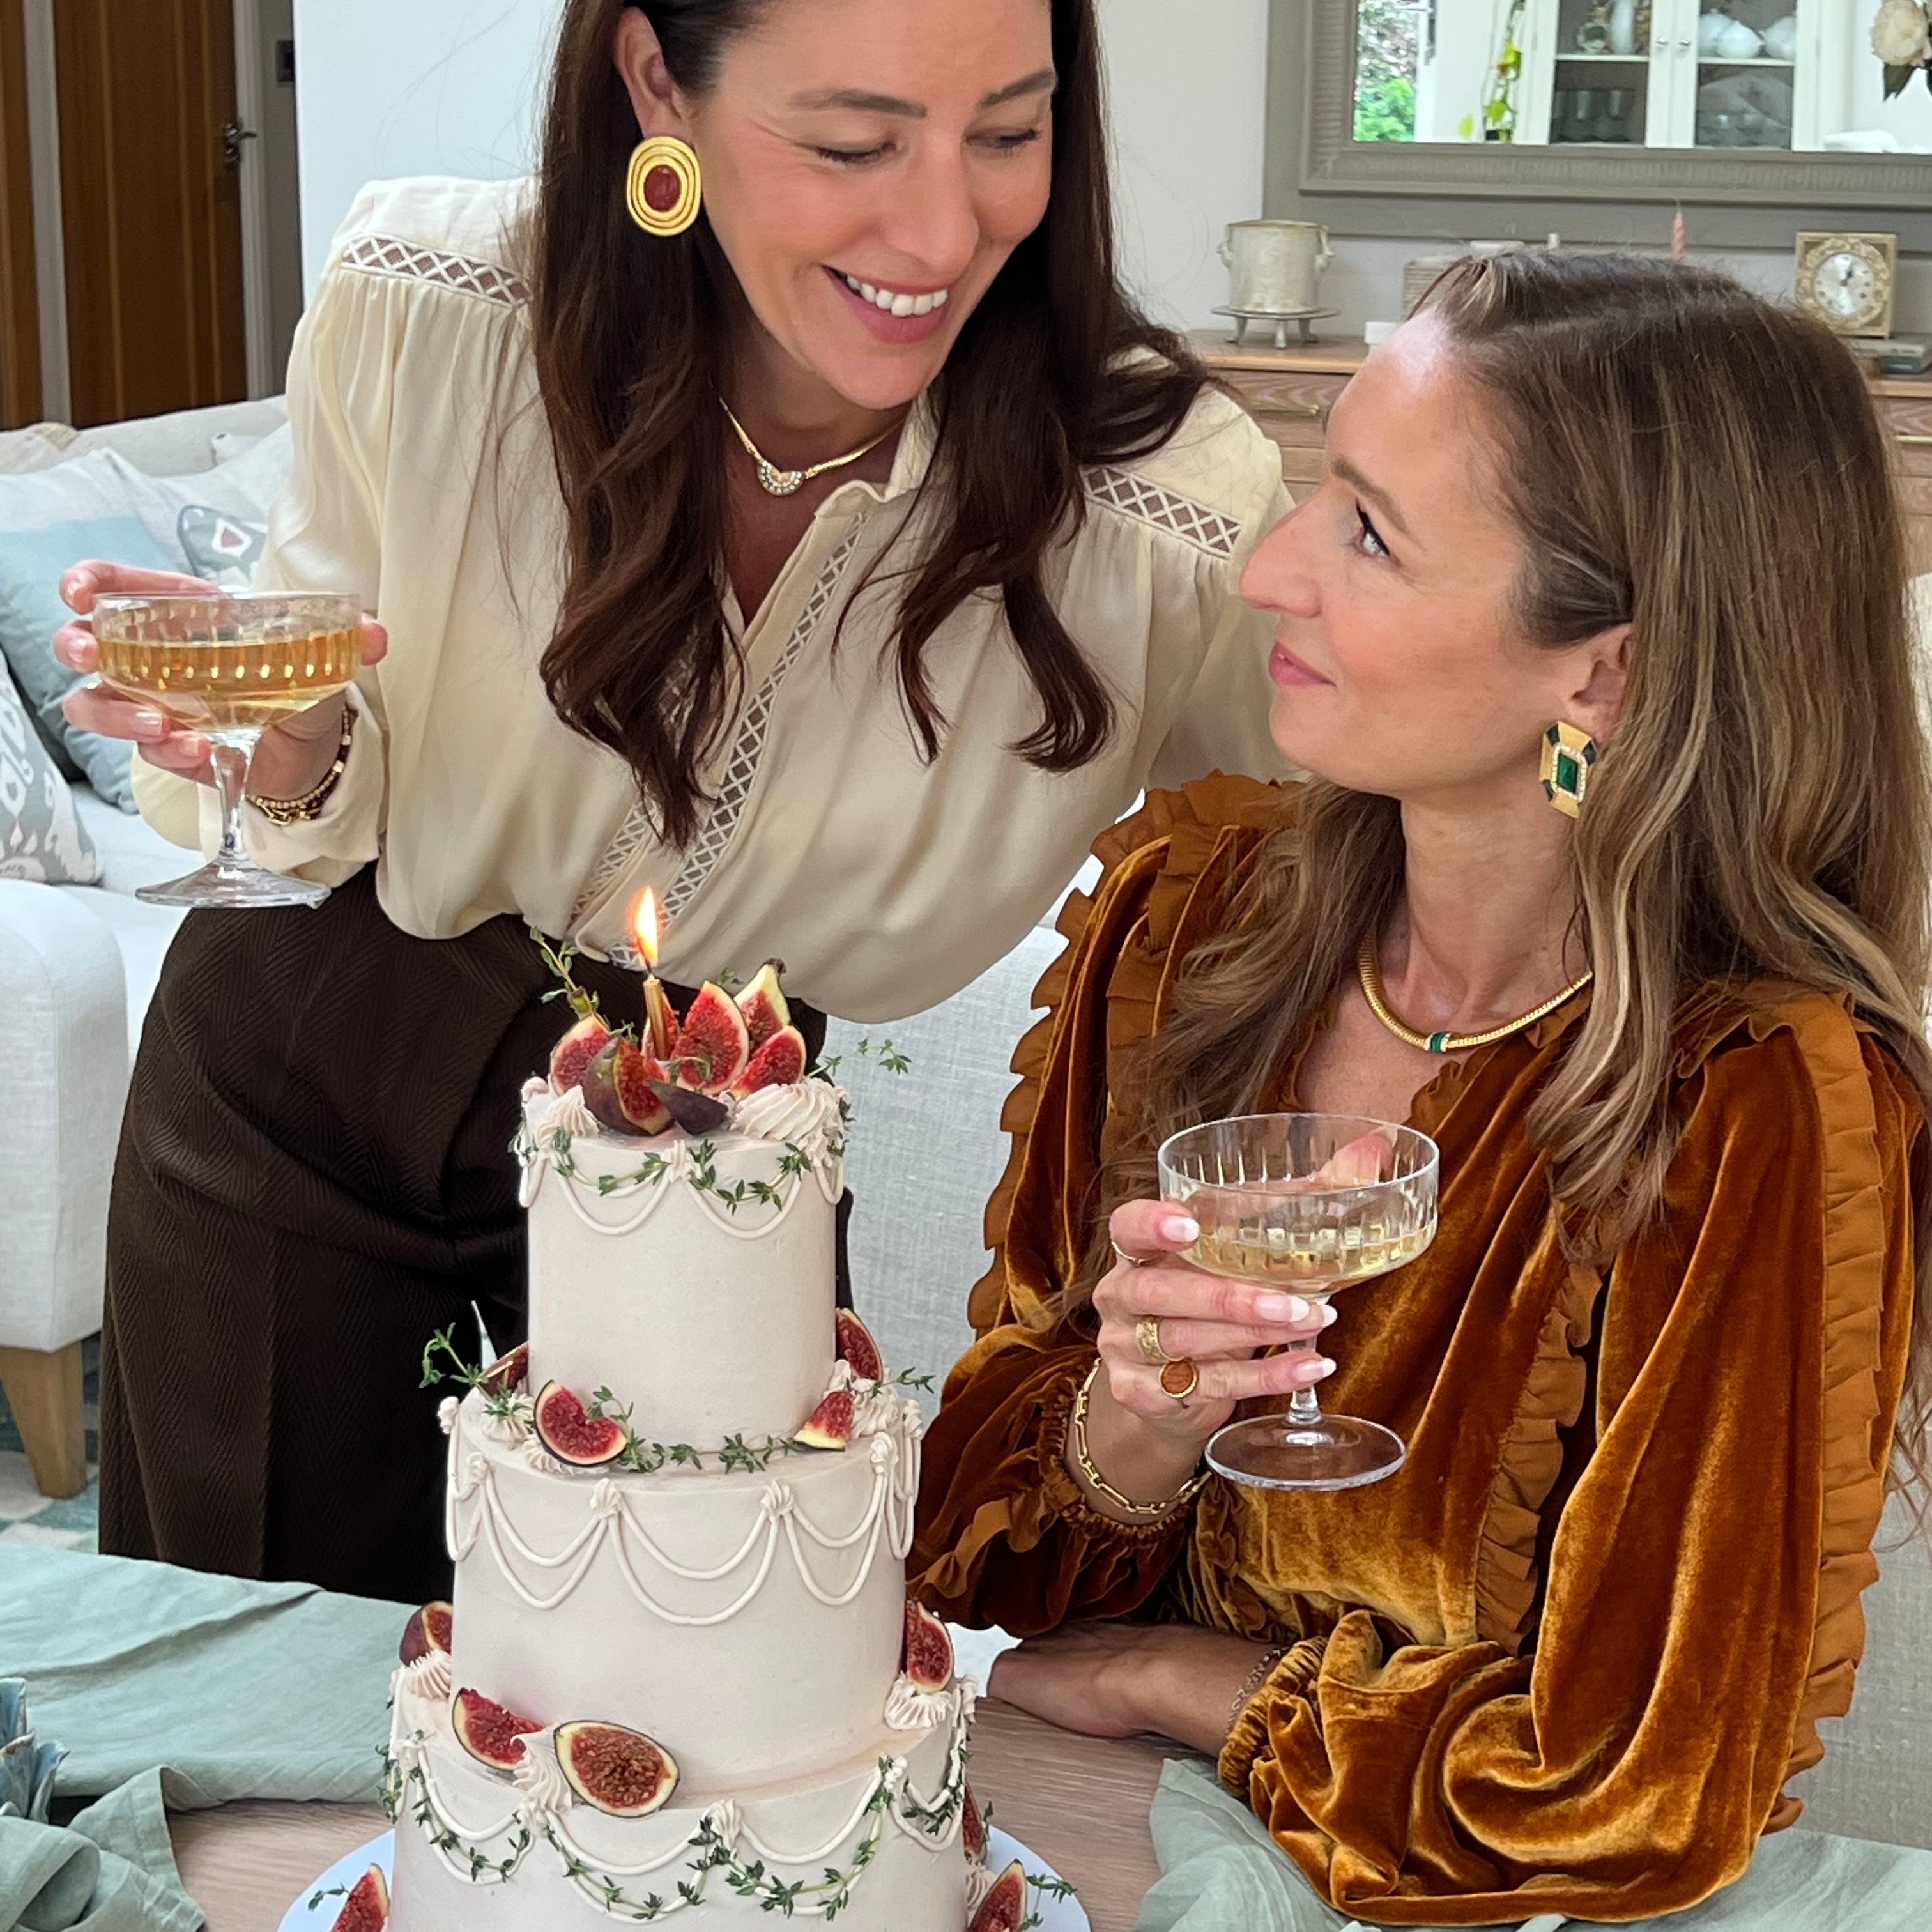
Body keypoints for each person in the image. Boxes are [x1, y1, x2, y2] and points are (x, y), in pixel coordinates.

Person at [54, 0, 1290, 1604]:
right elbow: (318, 741)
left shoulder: (1163, 514)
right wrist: (292, 755)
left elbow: (1347, 845)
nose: (943, 226)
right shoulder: (428, 312)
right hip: (299, 1088)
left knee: (725, 1707)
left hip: (730, 1153)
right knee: (253, 1716)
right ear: (658, 84)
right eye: (853, 142)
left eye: (1008, 131)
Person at [911, 252, 1931, 1922]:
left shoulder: (1763, 1103)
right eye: (1320, 497)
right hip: (1081, 1839)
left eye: (1370, 533)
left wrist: (1192, 1683)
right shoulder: (1186, 919)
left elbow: (1636, 1786)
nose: (1269, 573)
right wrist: (1137, 1424)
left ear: (1598, 674)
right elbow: (977, 1564)